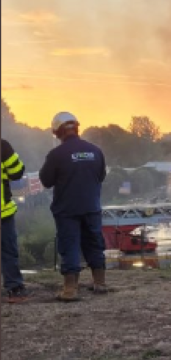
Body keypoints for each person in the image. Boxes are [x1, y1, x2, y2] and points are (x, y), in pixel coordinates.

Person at [39, 112, 108, 301]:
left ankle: (70, 289)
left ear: (57, 132)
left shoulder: (56, 155)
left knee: (69, 246)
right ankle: (100, 283)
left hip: (67, 210)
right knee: (94, 243)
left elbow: (46, 180)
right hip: (92, 207)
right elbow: (101, 176)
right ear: (76, 128)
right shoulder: (95, 151)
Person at [2, 139, 29, 303]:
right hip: (3, 212)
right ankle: (15, 289)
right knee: (8, 252)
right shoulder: (2, 146)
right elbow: (17, 172)